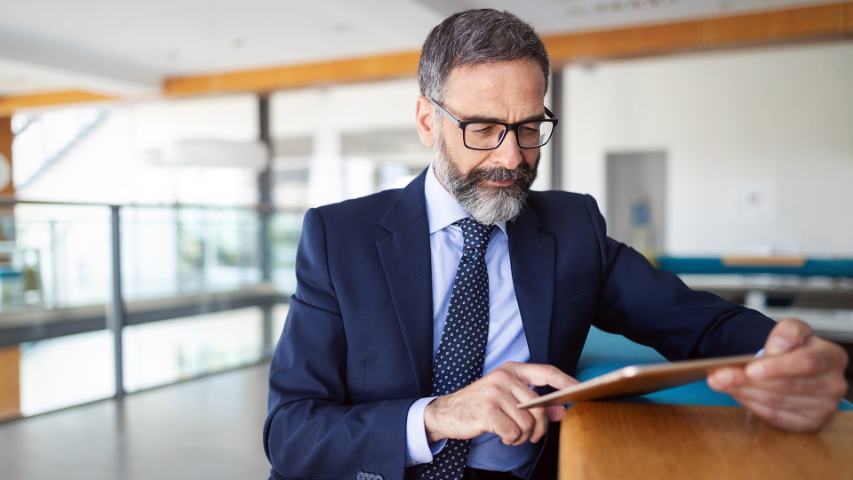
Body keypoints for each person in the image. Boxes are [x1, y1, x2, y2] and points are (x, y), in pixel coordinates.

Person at [264, 9, 849, 480]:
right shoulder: (340, 238)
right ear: (427, 121)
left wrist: (784, 352)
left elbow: (697, 324)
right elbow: (290, 432)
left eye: (528, 128)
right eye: (484, 129)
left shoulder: (571, 228)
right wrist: (438, 417)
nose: (512, 157)